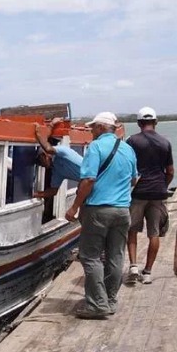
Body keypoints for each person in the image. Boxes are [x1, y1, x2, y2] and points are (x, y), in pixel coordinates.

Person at [65, 112, 137, 319]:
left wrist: (74, 207)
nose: (91, 132)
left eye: (92, 128)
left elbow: (88, 180)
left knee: (90, 256)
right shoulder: (128, 149)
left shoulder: (96, 147)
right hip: (123, 210)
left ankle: (97, 304)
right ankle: (110, 301)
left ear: (100, 128)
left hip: (98, 210)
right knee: (116, 256)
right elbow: (133, 180)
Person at [125, 107, 174, 285]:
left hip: (138, 191)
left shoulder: (132, 141)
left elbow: (127, 167)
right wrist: (163, 186)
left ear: (138, 123)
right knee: (154, 233)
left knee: (132, 229)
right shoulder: (165, 142)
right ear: (156, 122)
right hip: (158, 193)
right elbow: (170, 171)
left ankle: (133, 267)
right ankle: (147, 272)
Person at [34, 118, 83, 198]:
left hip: (99, 180)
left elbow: (48, 148)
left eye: (40, 162)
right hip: (89, 185)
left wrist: (40, 132)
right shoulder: (56, 171)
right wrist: (32, 195)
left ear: (44, 156)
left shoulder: (62, 151)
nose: (41, 166)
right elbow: (53, 191)